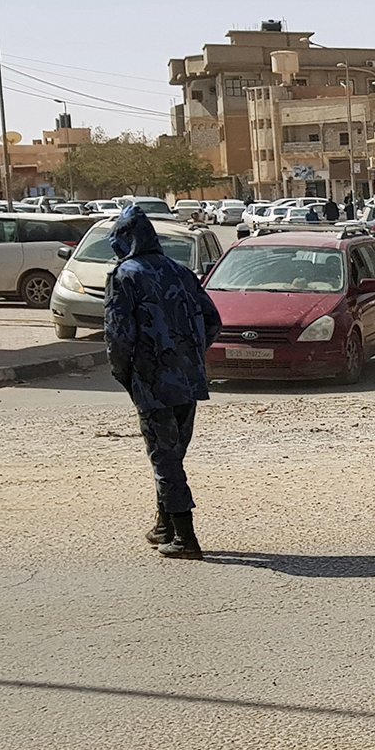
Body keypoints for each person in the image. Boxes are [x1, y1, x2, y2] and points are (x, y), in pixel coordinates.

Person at [102, 207, 222, 561]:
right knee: (173, 454)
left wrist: (124, 373)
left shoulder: (125, 275)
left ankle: (185, 536)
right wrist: (191, 353)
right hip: (188, 377)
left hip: (153, 380)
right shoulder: (181, 272)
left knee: (164, 457)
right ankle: (164, 525)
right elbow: (213, 320)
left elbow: (118, 335)